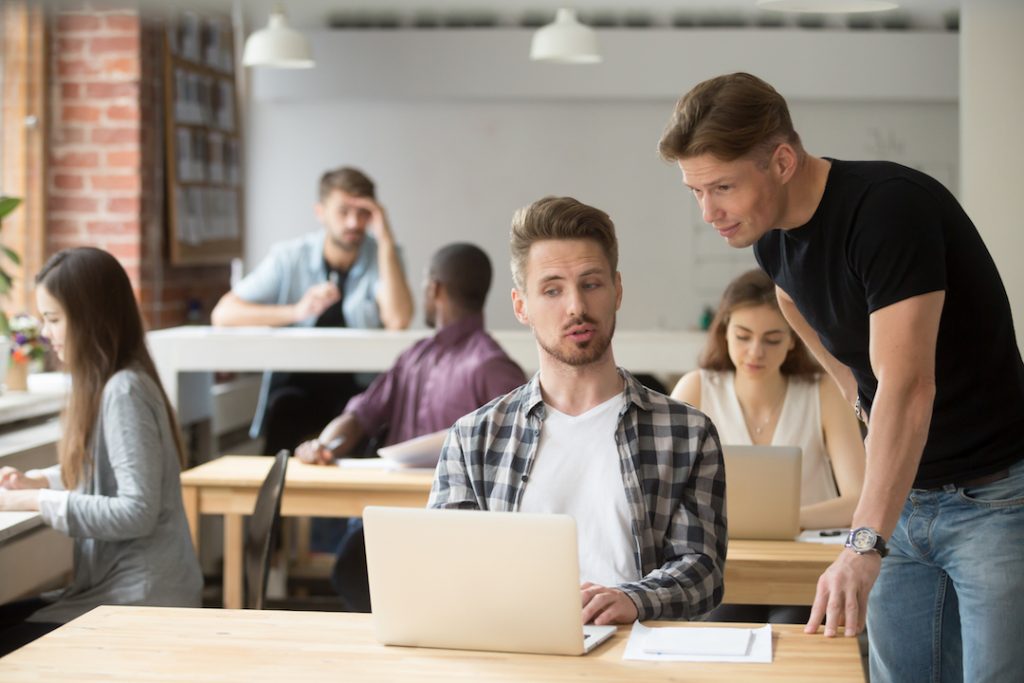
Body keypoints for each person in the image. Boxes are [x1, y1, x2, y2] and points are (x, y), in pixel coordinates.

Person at [659, 72, 1024, 681]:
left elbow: (909, 386)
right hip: (904, 500)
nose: (709, 212)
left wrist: (861, 543)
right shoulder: (771, 242)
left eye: (722, 187)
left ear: (781, 160)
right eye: (695, 191)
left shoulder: (887, 208)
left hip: (994, 498)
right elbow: (795, 304)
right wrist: (857, 391)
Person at [429, 196, 727, 624]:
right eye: (552, 290)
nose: (575, 307)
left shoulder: (685, 432)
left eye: (591, 284)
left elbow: (702, 569)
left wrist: (633, 600)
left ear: (617, 290)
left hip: (636, 650)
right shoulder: (473, 437)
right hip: (513, 650)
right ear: (521, 306)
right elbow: (444, 566)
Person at [295, 242, 526, 611]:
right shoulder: (413, 358)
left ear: (434, 289)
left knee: (358, 563)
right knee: (355, 561)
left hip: (453, 533)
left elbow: (523, 450)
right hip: (396, 521)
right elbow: (360, 415)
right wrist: (325, 445)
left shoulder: (490, 367)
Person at [0, 247, 203, 656]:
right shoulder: (116, 383)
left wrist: (34, 500)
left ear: (90, 319)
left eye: (54, 319)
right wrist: (41, 480)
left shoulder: (123, 390)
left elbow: (136, 510)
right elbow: (110, 468)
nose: (46, 333)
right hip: (128, 591)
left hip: (142, 601)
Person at [673, 268, 865, 624]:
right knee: (719, 624)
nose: (755, 352)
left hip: (808, 569)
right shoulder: (696, 388)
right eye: (743, 336)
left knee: (795, 624)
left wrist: (790, 520)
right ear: (724, 331)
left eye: (773, 339)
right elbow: (667, 496)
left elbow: (860, 500)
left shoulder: (823, 393)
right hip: (723, 565)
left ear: (794, 339)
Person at [211, 166, 414, 456]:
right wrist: (296, 312)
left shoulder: (384, 255)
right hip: (298, 388)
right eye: (343, 211)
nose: (354, 222)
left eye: (364, 213)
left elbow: (398, 319)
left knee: (371, 419)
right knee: (285, 411)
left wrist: (385, 239)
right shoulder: (290, 256)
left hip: (359, 391)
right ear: (320, 212)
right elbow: (224, 314)